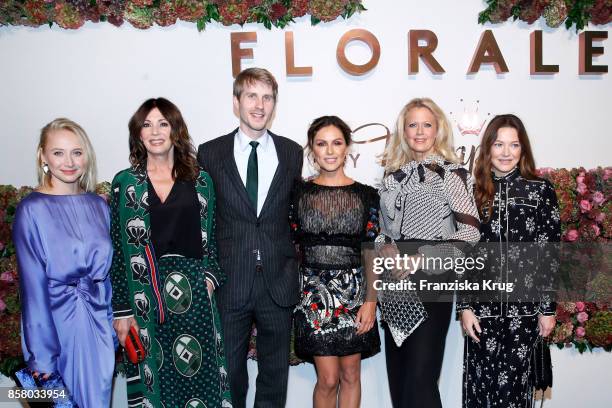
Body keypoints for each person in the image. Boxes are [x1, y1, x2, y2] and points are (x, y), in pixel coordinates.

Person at [110, 98, 231, 407]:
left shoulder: (201, 181)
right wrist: (123, 312)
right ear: (137, 134)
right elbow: (119, 252)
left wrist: (209, 279)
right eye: (146, 125)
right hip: (145, 297)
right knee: (158, 383)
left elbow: (212, 242)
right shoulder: (126, 184)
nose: (155, 131)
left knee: (201, 381)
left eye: (163, 123)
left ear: (176, 130)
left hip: (194, 297)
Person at [197, 67, 303, 408]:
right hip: (230, 280)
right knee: (229, 373)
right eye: (252, 96)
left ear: (274, 104)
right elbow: (204, 220)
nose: (259, 105)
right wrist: (209, 272)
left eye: (267, 97)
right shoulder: (210, 153)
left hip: (278, 278)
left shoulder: (291, 152)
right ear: (236, 102)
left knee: (275, 375)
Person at [377, 98, 481, 408]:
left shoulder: (452, 174)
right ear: (403, 131)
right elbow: (384, 231)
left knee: (421, 380)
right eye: (412, 125)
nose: (419, 131)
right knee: (401, 380)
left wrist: (422, 258)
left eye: (427, 124)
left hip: (432, 277)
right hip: (395, 282)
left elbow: (471, 232)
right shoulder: (392, 177)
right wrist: (388, 250)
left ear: (438, 130)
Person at [13, 118, 115, 407]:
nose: (69, 162)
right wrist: (42, 358)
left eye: (77, 152)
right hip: (56, 327)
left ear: (87, 156)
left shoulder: (98, 205)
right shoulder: (31, 209)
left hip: (97, 327)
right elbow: (32, 290)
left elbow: (106, 277)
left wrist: (110, 325)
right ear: (43, 157)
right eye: (58, 152)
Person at [458, 114, 559, 407]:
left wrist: (547, 309)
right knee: (480, 393)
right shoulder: (472, 190)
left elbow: (549, 253)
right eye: (499, 144)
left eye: (513, 145)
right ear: (488, 148)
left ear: (523, 149)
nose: (505, 152)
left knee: (514, 397)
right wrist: (464, 306)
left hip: (524, 313)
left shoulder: (540, 189)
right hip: (482, 312)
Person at [290, 116, 380, 408]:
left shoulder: (367, 195)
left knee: (351, 374)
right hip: (313, 295)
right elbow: (289, 246)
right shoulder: (298, 194)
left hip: (354, 294)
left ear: (347, 148)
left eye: (336, 143)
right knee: (328, 378)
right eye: (321, 143)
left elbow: (371, 250)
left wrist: (370, 301)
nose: (329, 151)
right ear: (312, 150)